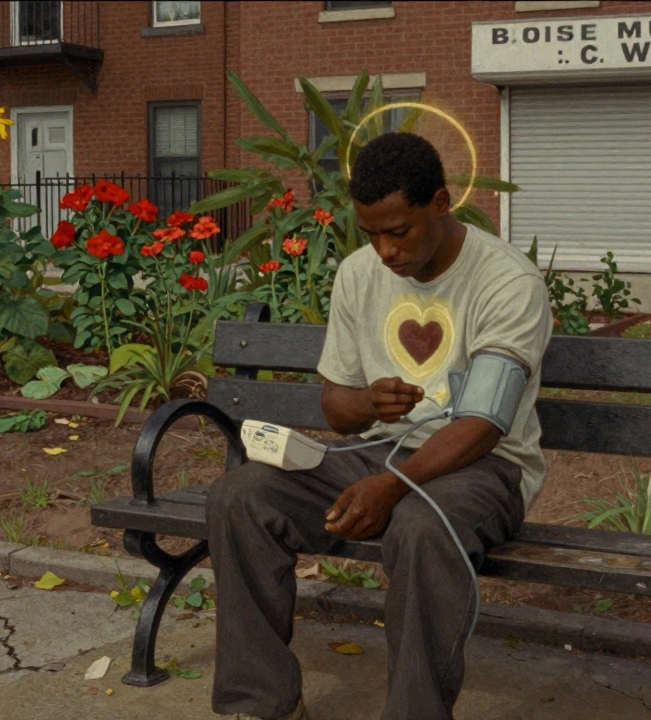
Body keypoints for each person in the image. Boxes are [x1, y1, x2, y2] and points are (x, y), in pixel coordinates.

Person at [206, 132, 553, 720]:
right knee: (240, 495)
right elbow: (335, 407)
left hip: (484, 468)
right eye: (372, 233)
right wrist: (368, 403)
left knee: (420, 527)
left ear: (440, 204)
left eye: (400, 232)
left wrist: (391, 486)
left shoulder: (506, 282)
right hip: (379, 450)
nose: (385, 251)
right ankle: (260, 703)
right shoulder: (359, 274)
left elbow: (484, 423)